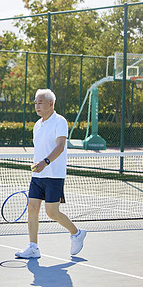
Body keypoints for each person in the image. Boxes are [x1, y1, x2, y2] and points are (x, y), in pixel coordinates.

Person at [15, 89, 86, 259]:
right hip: (37, 176)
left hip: (54, 175)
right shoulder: (37, 125)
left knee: (52, 212)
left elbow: (60, 146)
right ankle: (33, 247)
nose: (37, 106)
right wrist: (37, 164)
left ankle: (76, 233)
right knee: (32, 208)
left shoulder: (60, 121)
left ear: (51, 104)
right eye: (35, 103)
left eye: (40, 102)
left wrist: (45, 162)